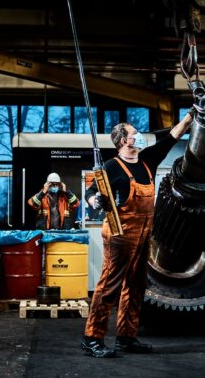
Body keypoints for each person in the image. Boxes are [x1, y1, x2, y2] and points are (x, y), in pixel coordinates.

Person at [81, 111, 194, 358]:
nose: (139, 136)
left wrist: (189, 117)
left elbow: (171, 138)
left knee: (136, 287)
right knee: (109, 287)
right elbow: (90, 191)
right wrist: (95, 200)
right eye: (134, 133)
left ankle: (126, 337)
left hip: (144, 234)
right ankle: (92, 338)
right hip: (120, 233)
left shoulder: (147, 160)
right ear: (124, 141)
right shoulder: (111, 167)